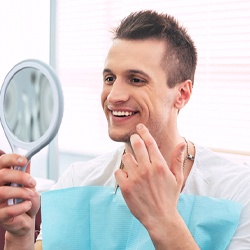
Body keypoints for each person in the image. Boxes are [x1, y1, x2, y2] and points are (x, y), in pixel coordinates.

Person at [0, 10, 250, 250]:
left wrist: (163, 220)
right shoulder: (77, 181)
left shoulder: (237, 191)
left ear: (182, 94)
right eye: (109, 79)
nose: (114, 96)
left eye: (136, 80)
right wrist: (19, 235)